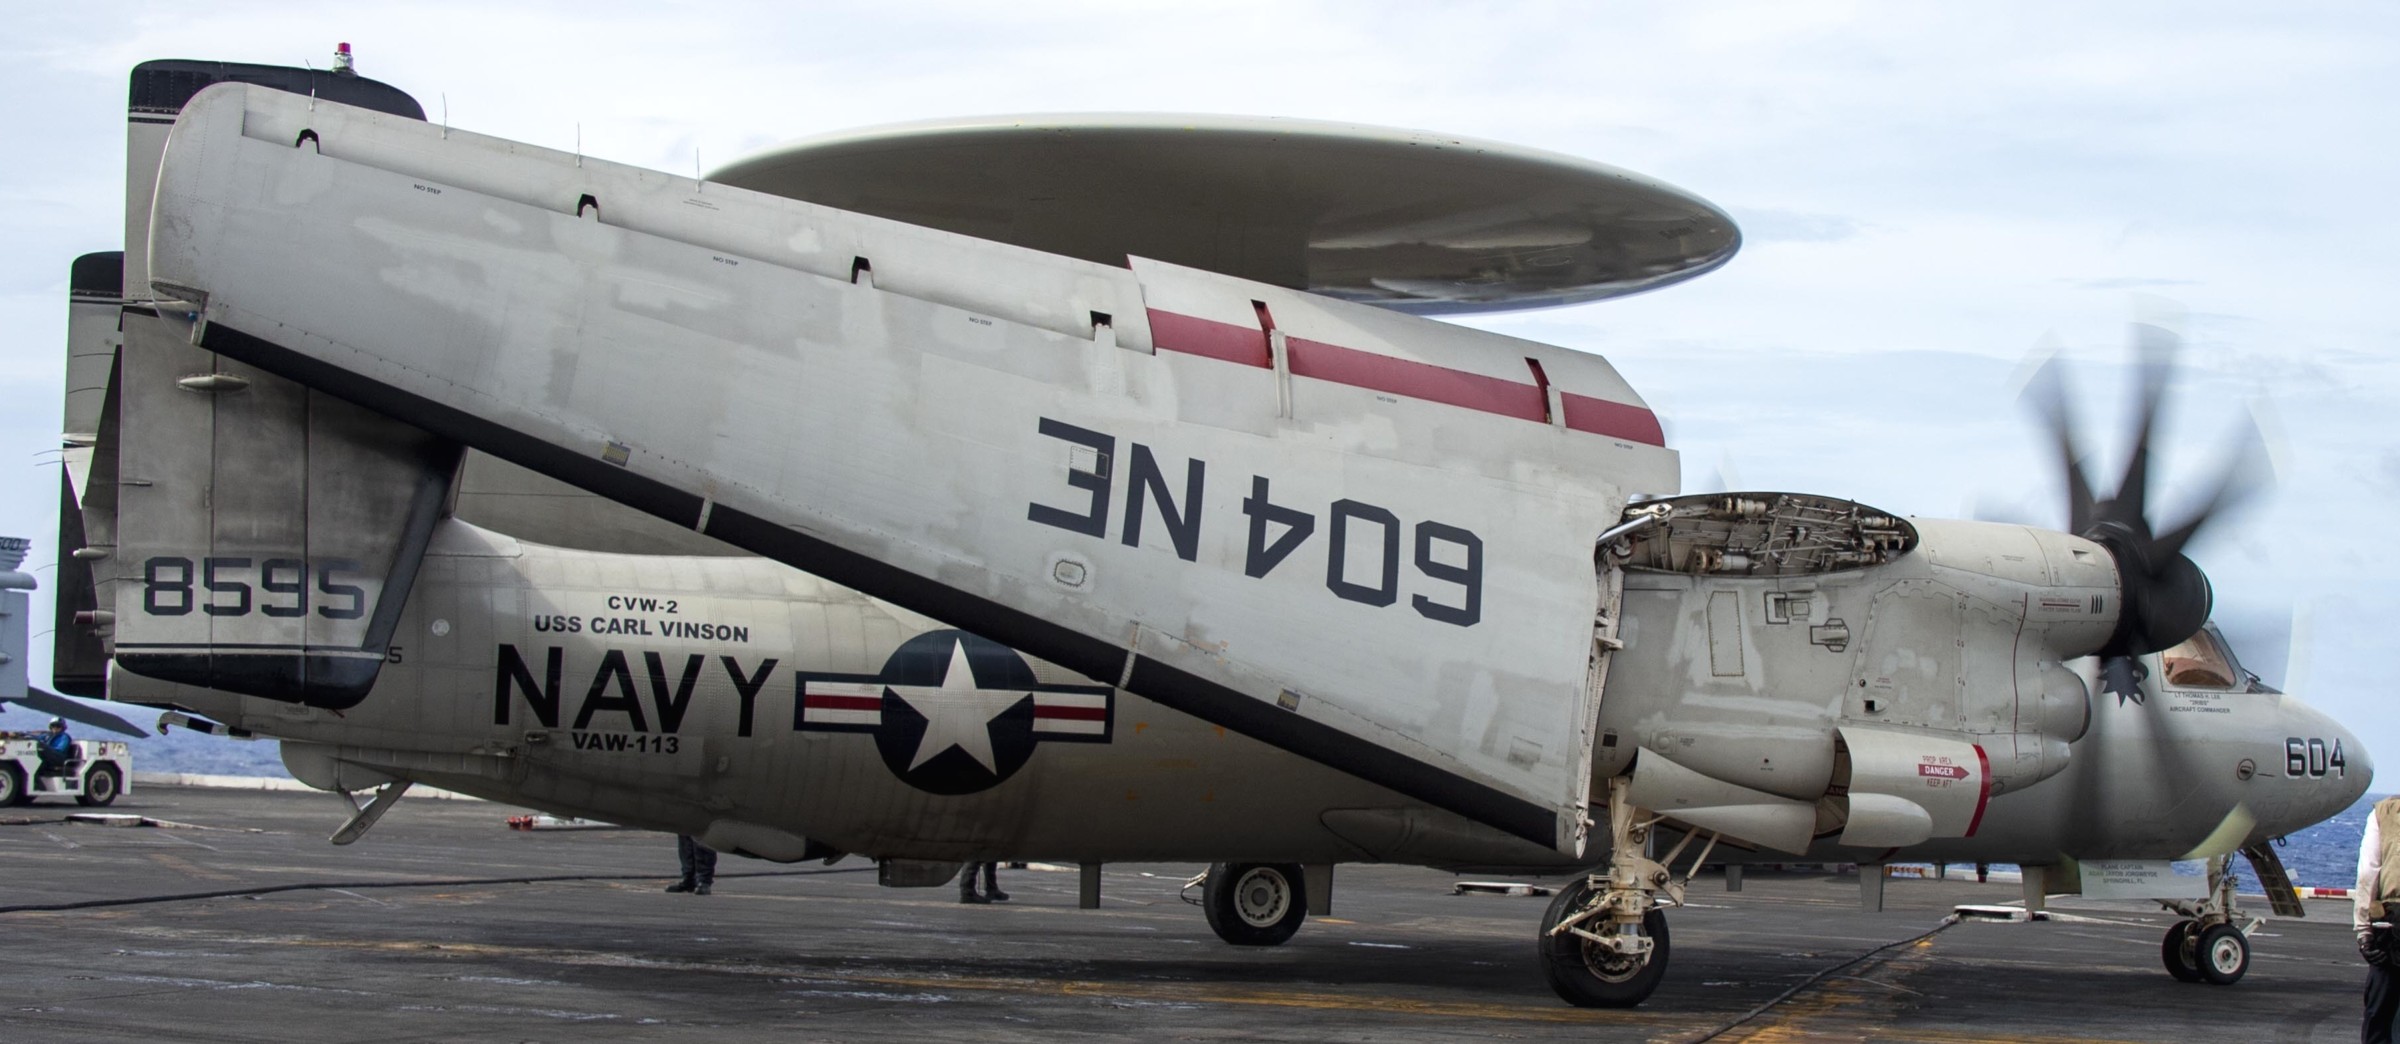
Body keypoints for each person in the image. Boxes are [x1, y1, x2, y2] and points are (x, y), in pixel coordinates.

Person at [2358, 794, 2400, 1043]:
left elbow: (2367, 874)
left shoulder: (2383, 813)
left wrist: (2364, 934)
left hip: (2392, 928)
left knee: (2379, 1018)